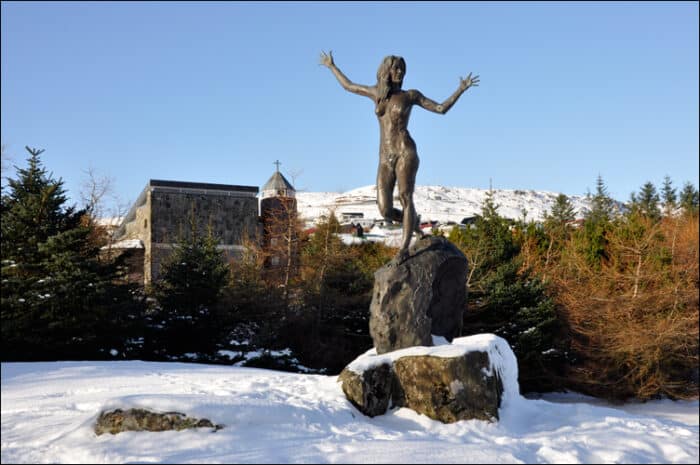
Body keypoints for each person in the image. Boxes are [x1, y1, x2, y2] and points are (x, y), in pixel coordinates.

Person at [320, 51, 479, 262]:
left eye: (403, 69)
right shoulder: (376, 93)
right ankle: (413, 222)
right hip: (385, 157)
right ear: (386, 70)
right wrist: (332, 66)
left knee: (405, 197)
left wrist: (460, 89)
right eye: (396, 68)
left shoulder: (410, 96)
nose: (400, 72)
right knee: (384, 209)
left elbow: (440, 109)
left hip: (405, 151)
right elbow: (348, 86)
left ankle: (404, 248)